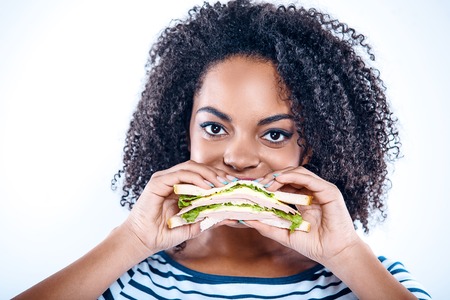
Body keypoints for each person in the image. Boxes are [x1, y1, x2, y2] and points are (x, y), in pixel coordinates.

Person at [14, 0, 431, 299]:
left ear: (314, 146)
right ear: (184, 132)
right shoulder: (118, 279)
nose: (238, 157)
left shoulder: (371, 279)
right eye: (215, 127)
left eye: (275, 134)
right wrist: (132, 239)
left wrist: (345, 254)